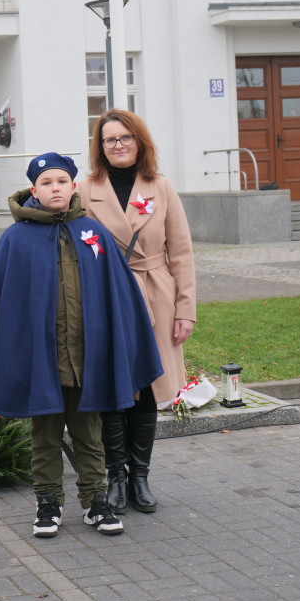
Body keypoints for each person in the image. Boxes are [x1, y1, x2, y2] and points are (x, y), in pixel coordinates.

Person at [0, 153, 162, 539]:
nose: (55, 188)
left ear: (74, 187)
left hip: (84, 358)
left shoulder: (91, 233)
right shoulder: (15, 239)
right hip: (39, 360)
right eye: (46, 183)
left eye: (62, 181)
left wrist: (125, 346)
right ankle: (48, 503)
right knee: (44, 436)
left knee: (89, 435)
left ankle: (95, 501)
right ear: (34, 190)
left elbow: (119, 294)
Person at [78, 109, 197, 514]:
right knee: (116, 383)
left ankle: (140, 477)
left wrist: (185, 310)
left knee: (148, 385)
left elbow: (181, 254)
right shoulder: (85, 189)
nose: (118, 145)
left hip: (156, 294)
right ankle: (116, 476)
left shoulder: (160, 187)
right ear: (100, 148)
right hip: (108, 297)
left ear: (139, 141)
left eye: (125, 137)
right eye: (110, 140)